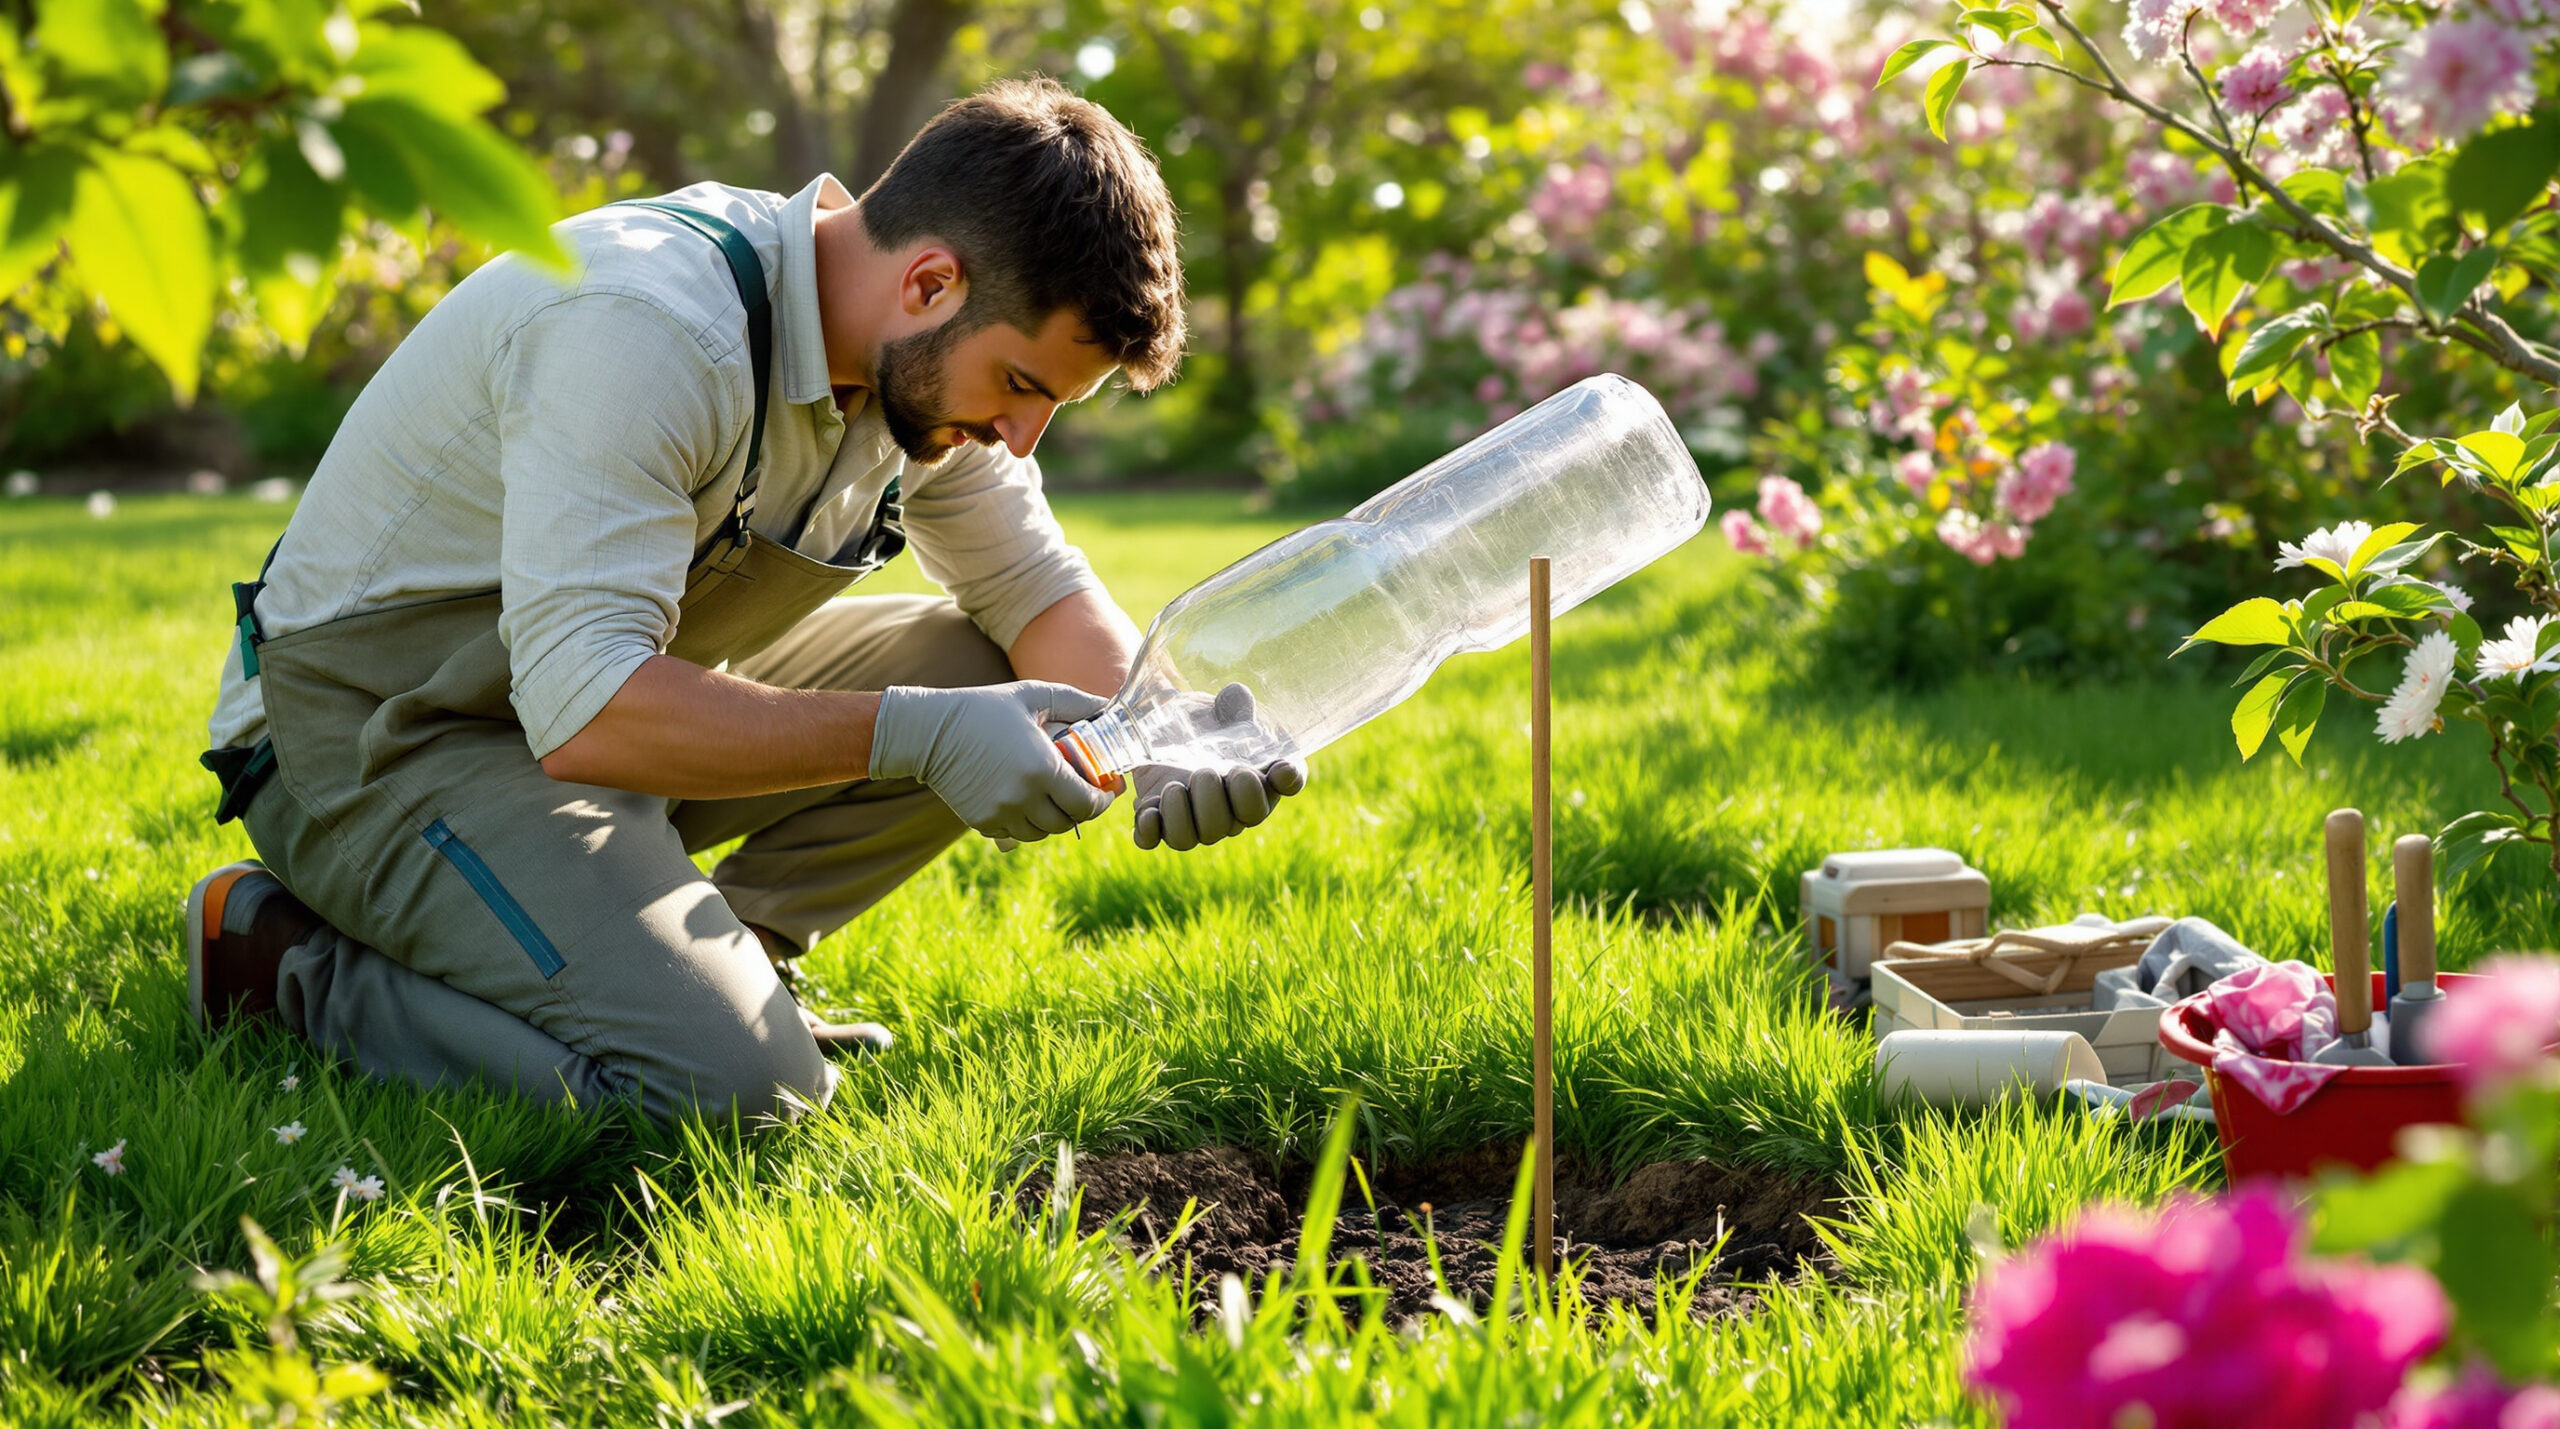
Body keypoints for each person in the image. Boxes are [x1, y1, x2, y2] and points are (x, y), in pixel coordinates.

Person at [183, 78, 1306, 1123]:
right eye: (1021, 385)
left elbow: (1037, 592)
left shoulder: (911, 362)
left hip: (577, 709)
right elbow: (588, 710)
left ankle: (741, 954)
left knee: (996, 674)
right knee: (735, 1095)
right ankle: (284, 966)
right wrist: (916, 736)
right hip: (379, 739)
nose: (1022, 437)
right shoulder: (644, 326)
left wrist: (1152, 736)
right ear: (928, 281)